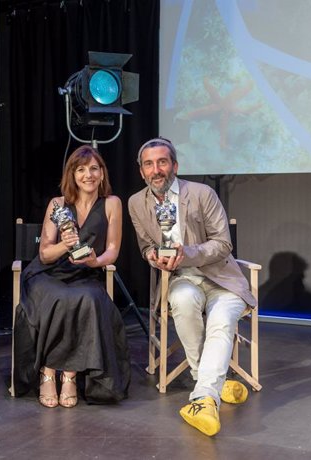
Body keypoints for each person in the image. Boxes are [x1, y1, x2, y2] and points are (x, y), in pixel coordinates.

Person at [128, 137, 256, 437]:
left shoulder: (201, 193)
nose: (156, 170)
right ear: (141, 171)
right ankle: (213, 383)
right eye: (149, 164)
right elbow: (145, 246)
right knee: (183, 301)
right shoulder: (136, 202)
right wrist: (154, 257)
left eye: (162, 162)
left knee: (222, 320)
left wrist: (189, 253)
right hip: (181, 279)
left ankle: (202, 398)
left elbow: (224, 244)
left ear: (175, 165)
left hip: (220, 279)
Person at [13, 145, 130, 407]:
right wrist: (67, 245)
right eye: (81, 170)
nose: (88, 174)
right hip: (48, 273)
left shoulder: (112, 203)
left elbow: (112, 250)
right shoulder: (58, 204)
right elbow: (44, 254)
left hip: (85, 274)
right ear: (72, 174)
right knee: (58, 298)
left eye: (93, 168)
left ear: (102, 173)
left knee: (87, 299)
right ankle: (48, 372)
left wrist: (95, 261)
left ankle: (69, 375)